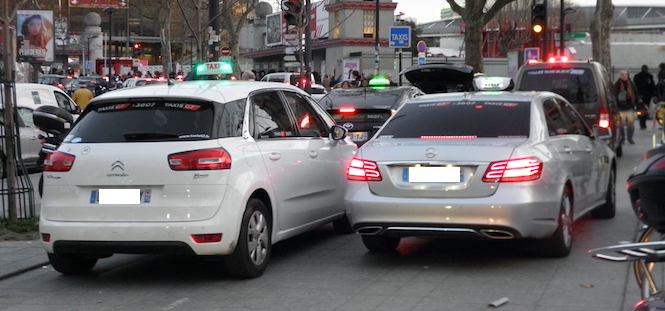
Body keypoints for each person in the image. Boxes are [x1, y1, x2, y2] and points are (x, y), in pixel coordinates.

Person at [613, 69, 642, 144]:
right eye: (622, 75)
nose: (624, 76)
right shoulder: (617, 84)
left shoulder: (631, 84)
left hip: (629, 107)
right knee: (621, 125)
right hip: (620, 107)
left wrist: (638, 99)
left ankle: (630, 138)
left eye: (625, 74)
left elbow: (635, 92)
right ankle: (622, 138)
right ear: (620, 76)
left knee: (631, 124)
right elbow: (614, 95)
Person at [633, 65, 655, 129]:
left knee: (641, 109)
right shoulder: (648, 76)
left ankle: (642, 122)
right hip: (643, 96)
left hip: (642, 95)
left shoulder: (647, 76)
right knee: (643, 109)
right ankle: (642, 122)